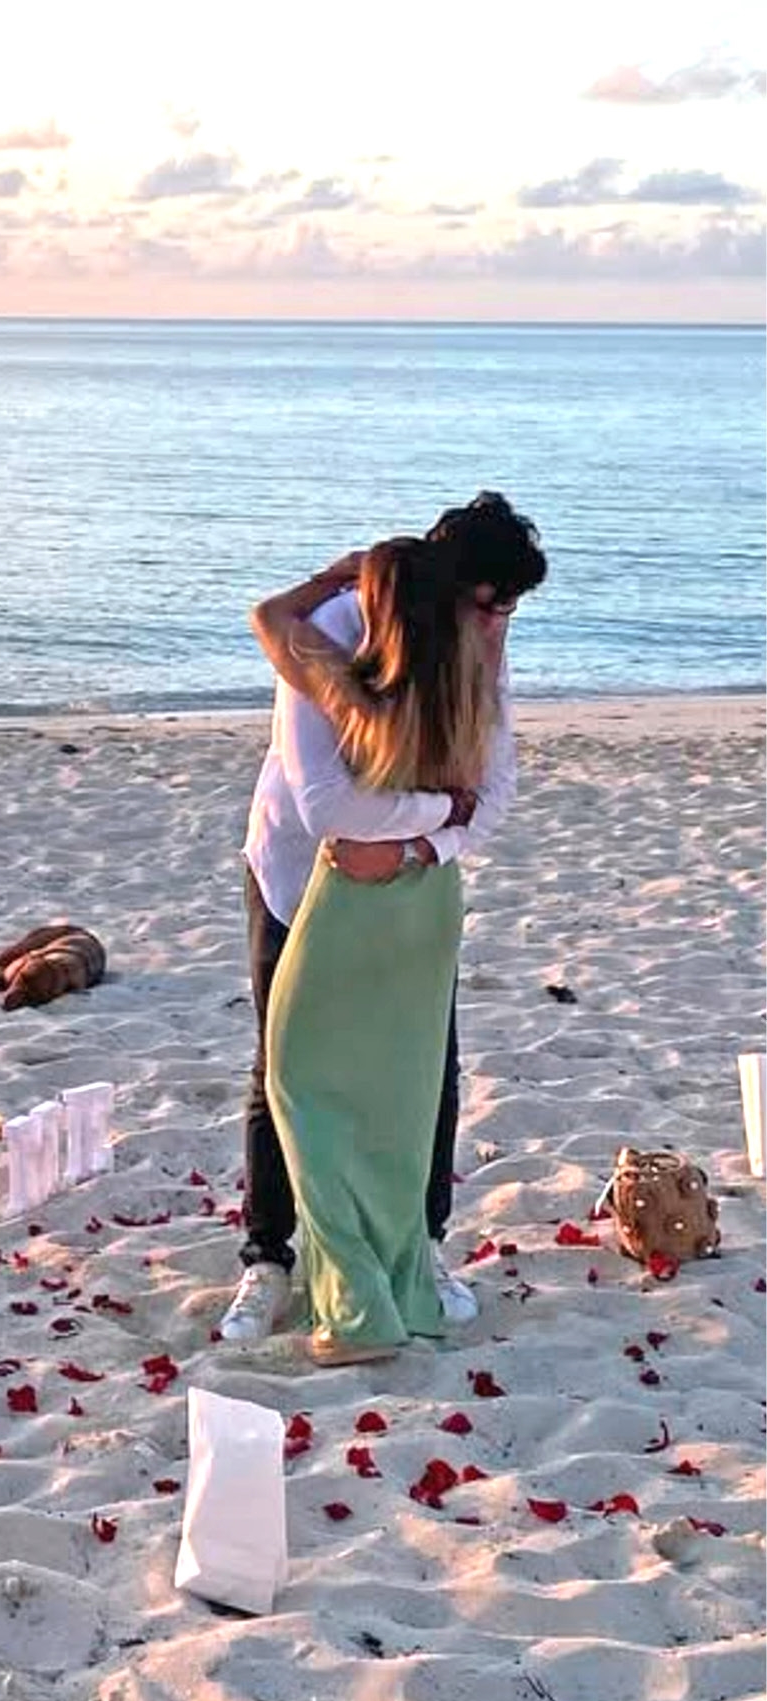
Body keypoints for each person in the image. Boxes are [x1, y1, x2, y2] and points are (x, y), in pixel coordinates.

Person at [220, 491, 547, 1348]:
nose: (501, 628)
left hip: (411, 887)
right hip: (298, 877)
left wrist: (415, 846)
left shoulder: (482, 648)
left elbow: (497, 796)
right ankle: (269, 1256)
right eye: (491, 606)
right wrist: (439, 808)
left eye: (511, 611)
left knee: (426, 1062)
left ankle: (418, 1247)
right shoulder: (329, 630)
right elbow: (328, 807)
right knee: (284, 1065)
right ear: (445, 587)